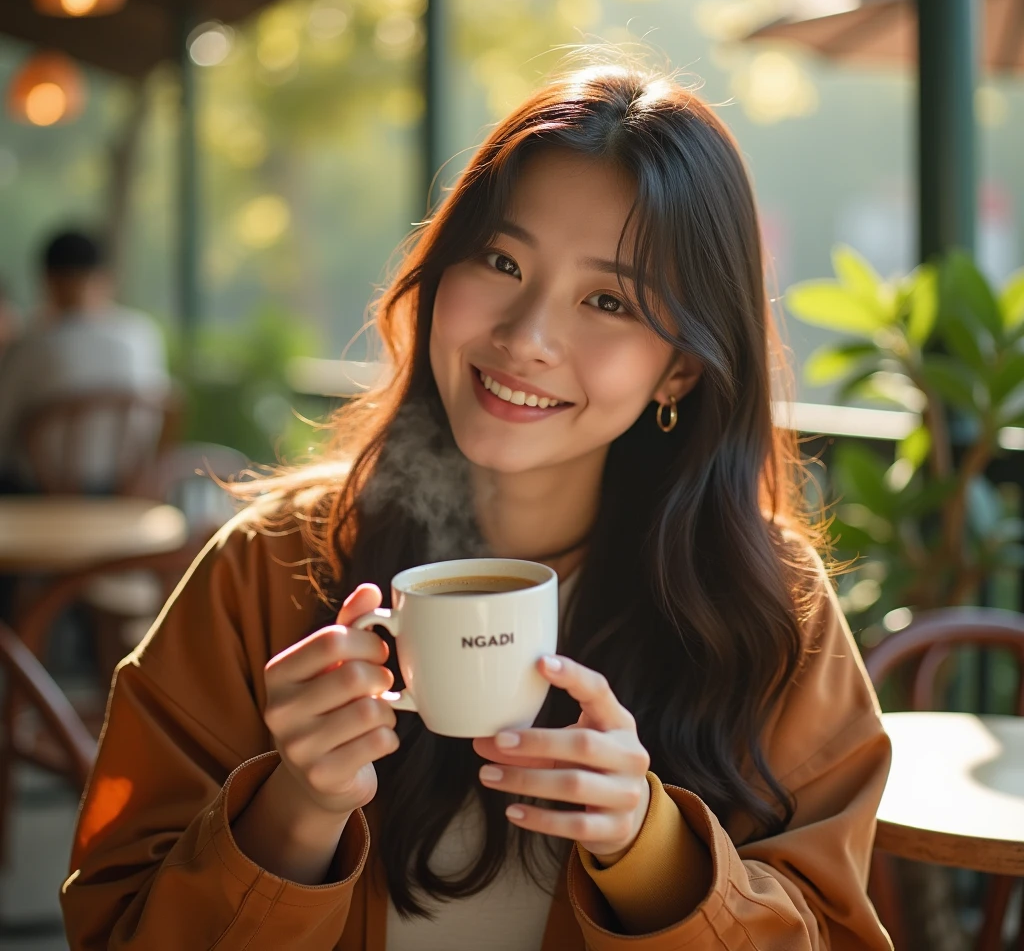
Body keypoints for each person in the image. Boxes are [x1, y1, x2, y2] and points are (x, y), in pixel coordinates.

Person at [61, 63, 893, 950]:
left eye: (606, 300)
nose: (526, 337)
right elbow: (116, 922)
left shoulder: (766, 601)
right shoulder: (265, 567)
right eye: (502, 261)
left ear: (681, 368)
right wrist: (293, 808)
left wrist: (649, 849)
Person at [0, 230, 168, 492]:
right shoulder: (143, 333)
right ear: (108, 277)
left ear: (48, 281)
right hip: (123, 492)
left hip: (41, 494)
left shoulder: (33, 344)